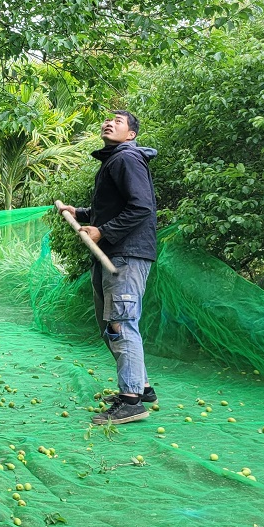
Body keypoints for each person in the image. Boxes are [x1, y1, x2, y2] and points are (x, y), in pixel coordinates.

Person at [57, 109, 158, 425]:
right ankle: (140, 388)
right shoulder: (116, 160)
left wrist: (104, 232)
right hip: (115, 253)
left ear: (131, 134)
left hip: (125, 254)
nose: (109, 122)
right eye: (107, 119)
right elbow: (116, 206)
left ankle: (131, 402)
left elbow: (142, 207)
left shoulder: (127, 158)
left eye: (118, 121)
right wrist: (85, 214)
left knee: (120, 323)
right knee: (114, 323)